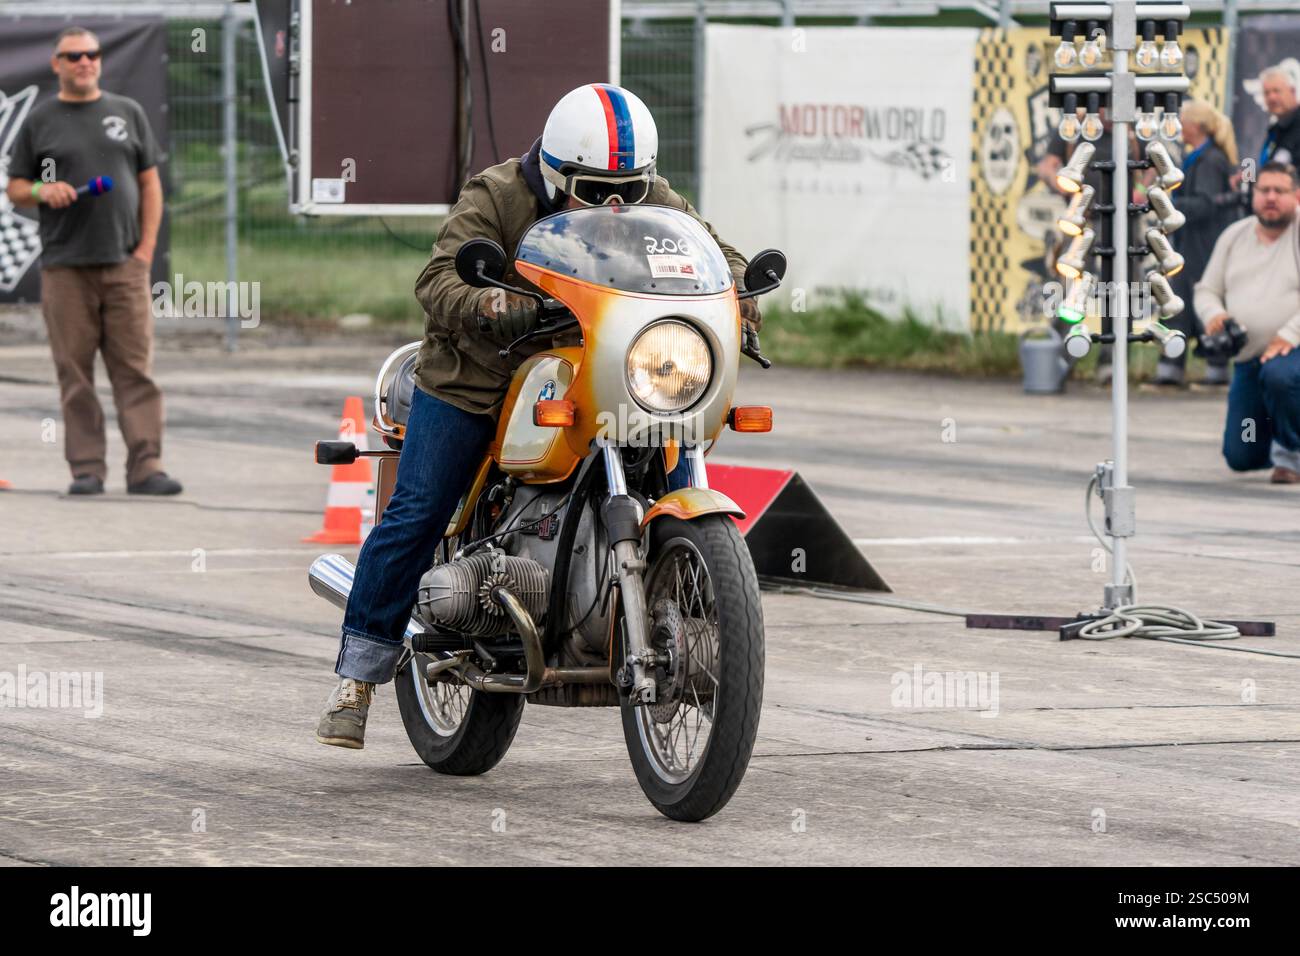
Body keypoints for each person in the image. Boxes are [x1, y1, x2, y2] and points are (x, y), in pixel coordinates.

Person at [315, 84, 759, 749]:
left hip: (598, 371)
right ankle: (359, 676)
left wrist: (739, 296)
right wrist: (493, 306)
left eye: (629, 191)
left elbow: (712, 251)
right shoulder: (496, 196)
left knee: (672, 457)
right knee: (419, 509)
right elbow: (437, 280)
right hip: (480, 377)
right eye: (595, 189)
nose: (615, 204)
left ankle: (679, 634)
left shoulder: (645, 193)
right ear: (555, 172)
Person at [5, 27, 181, 497]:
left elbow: (150, 185)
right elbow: (16, 186)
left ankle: (146, 467)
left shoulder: (127, 113)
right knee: (75, 372)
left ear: (100, 61)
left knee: (135, 370)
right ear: (57, 64)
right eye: (74, 55)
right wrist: (44, 189)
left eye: (92, 54)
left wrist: (144, 252)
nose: (84, 61)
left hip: (124, 266)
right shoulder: (41, 120)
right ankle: (87, 469)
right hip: (65, 268)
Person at [1194, 162, 1300, 484]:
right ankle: (1279, 432)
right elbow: (1206, 289)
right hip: (1249, 362)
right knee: (1243, 453)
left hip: (1291, 356)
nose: (1270, 197)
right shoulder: (1234, 236)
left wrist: (1289, 334)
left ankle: (1291, 453)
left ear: (1296, 195)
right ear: (1252, 194)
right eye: (1263, 190)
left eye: (1279, 191)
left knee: (1280, 377)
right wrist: (1215, 315)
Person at [1155, 100, 1241, 387]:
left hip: (1201, 247)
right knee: (1181, 305)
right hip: (1193, 245)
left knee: (1198, 303)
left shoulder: (1209, 161)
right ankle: (1175, 367)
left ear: (1196, 126)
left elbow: (1205, 206)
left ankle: (1211, 368)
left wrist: (1168, 203)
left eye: (1183, 121)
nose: (1179, 127)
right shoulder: (1199, 158)